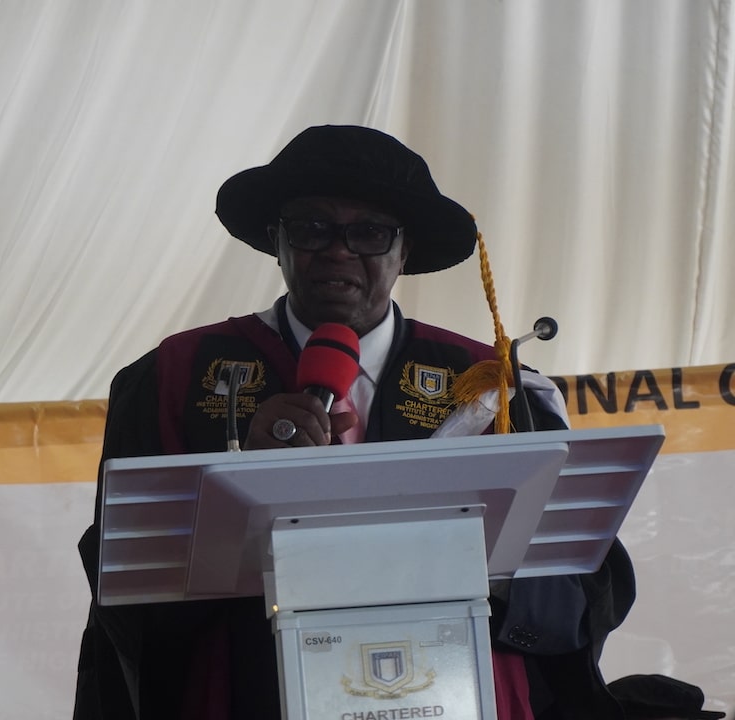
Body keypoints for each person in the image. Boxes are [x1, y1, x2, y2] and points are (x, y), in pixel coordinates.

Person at [73, 125, 635, 719]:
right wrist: (239, 494)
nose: (338, 251)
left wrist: (485, 566)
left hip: (454, 691)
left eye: (369, 232)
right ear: (276, 240)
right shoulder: (179, 375)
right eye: (311, 227)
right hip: (248, 694)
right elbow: (123, 592)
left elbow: (586, 593)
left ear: (405, 251)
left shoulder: (488, 385)